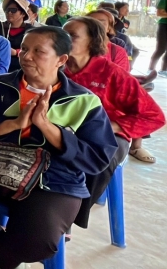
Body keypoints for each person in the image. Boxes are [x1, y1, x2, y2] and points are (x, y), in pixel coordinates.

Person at [0, 27, 118, 269]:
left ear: (61, 59)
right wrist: (13, 123)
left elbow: (97, 157)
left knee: (38, 242)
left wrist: (46, 126)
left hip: (54, 176)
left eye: (38, 51)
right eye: (24, 49)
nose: (26, 56)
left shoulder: (83, 101)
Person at [63, 17, 165, 226]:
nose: (64, 39)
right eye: (62, 33)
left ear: (92, 42)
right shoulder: (57, 68)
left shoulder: (111, 73)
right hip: (66, 128)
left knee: (99, 158)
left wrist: (111, 126)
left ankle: (70, 220)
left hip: (110, 132)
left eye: (72, 36)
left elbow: (154, 116)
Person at [0, 0, 33, 72]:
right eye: (7, 10)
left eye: (13, 10)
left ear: (23, 14)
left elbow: (33, 50)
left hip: (20, 69)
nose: (9, 13)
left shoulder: (30, 31)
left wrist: (16, 52)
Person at [149, 0, 167, 78]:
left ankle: (164, 70)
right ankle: (150, 69)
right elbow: (159, 13)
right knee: (161, 49)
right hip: (164, 25)